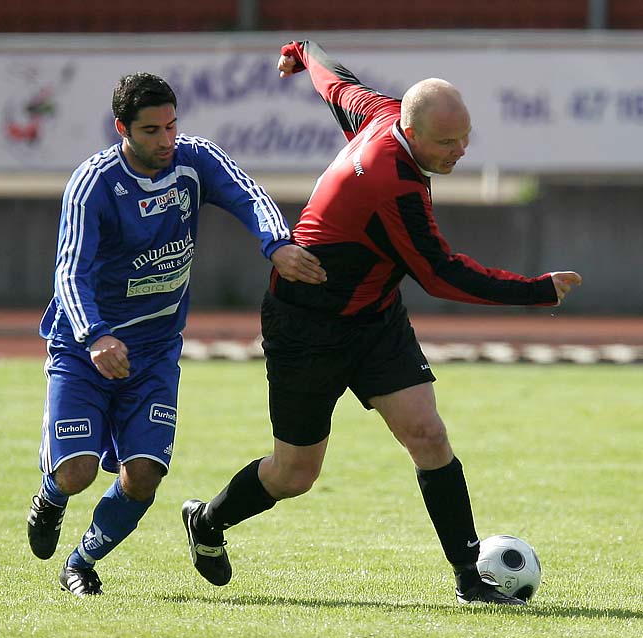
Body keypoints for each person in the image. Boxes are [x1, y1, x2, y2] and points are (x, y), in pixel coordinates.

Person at [180, 41, 582, 605]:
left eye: (465, 137)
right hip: (307, 327)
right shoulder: (392, 184)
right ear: (413, 134)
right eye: (447, 142)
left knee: (427, 433)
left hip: (374, 319)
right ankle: (209, 519)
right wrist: (536, 291)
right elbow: (441, 275)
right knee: (295, 473)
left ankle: (469, 577)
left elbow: (336, 83)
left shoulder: (385, 113)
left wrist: (303, 51)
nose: (460, 150)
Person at [26, 72, 327, 596]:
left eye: (171, 126)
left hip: (156, 351)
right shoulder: (93, 183)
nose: (165, 140)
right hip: (86, 350)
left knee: (144, 473)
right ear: (121, 128)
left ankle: (80, 563)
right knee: (76, 472)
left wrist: (275, 243)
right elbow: (68, 273)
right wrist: (96, 335)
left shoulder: (194, 159)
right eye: (150, 131)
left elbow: (247, 194)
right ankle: (51, 498)